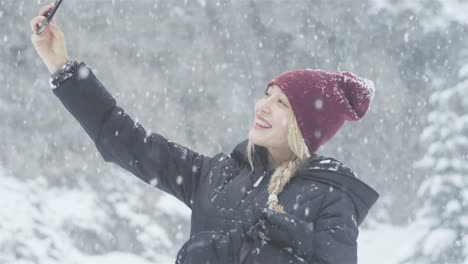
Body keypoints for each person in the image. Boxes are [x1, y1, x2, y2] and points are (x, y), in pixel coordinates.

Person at [30, 3, 379, 264]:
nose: (263, 106)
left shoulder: (331, 199)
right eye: (267, 95)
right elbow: (125, 140)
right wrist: (61, 68)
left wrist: (250, 254)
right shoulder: (216, 176)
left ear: (306, 127)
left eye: (282, 103)